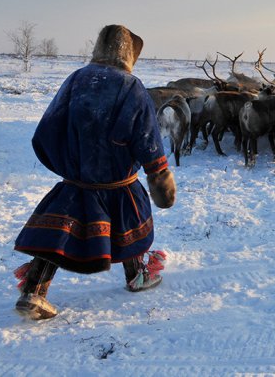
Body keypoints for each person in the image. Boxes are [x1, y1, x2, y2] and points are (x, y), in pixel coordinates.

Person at [13, 25, 177, 320]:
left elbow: (47, 130)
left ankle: (33, 293)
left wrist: (67, 166)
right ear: (129, 53)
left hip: (77, 183)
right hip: (118, 183)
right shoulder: (132, 87)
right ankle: (138, 274)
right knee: (130, 221)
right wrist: (160, 177)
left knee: (57, 235)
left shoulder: (76, 79)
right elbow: (147, 138)